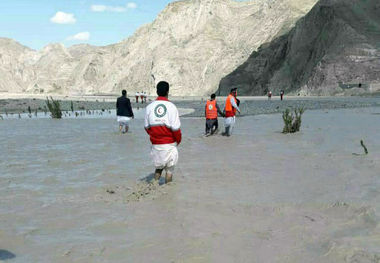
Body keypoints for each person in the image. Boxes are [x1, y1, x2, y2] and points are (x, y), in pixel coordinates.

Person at [144, 81, 182, 184]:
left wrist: (156, 137)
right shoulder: (172, 107)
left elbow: (147, 128)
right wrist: (177, 142)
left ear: (157, 91)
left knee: (159, 167)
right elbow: (176, 130)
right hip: (169, 144)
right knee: (169, 170)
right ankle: (167, 193)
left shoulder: (149, 107)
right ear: (168, 91)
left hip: (156, 145)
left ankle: (154, 184)